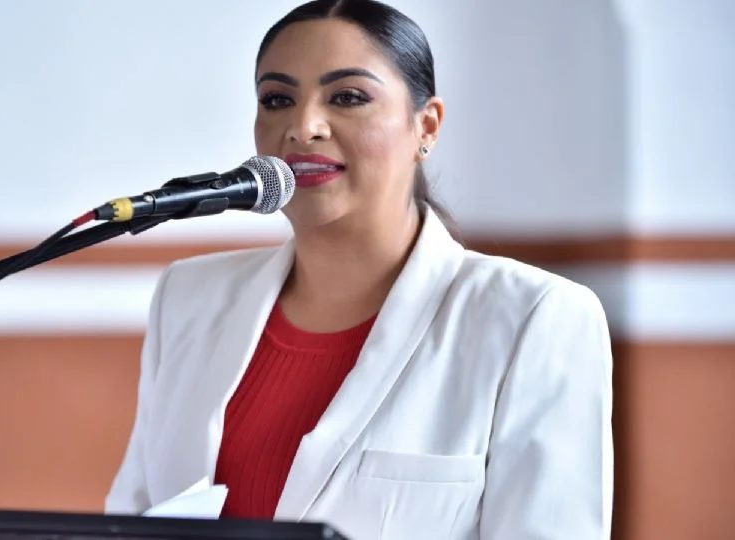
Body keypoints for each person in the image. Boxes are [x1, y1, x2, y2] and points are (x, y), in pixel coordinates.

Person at [106, 0, 613, 538]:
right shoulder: (188, 297)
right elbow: (130, 520)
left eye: (348, 97)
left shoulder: (533, 317)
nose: (303, 127)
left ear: (426, 126)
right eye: (277, 99)